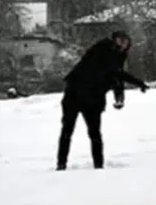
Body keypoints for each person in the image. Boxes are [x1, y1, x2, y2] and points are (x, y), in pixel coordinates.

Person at [56, 30, 149, 171]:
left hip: (94, 98)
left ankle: (98, 166)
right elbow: (114, 72)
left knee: (95, 133)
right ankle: (61, 165)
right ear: (114, 40)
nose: (123, 45)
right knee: (67, 131)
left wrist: (120, 97)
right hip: (75, 93)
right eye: (121, 41)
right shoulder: (103, 48)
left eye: (126, 43)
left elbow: (116, 76)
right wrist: (137, 82)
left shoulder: (119, 55)